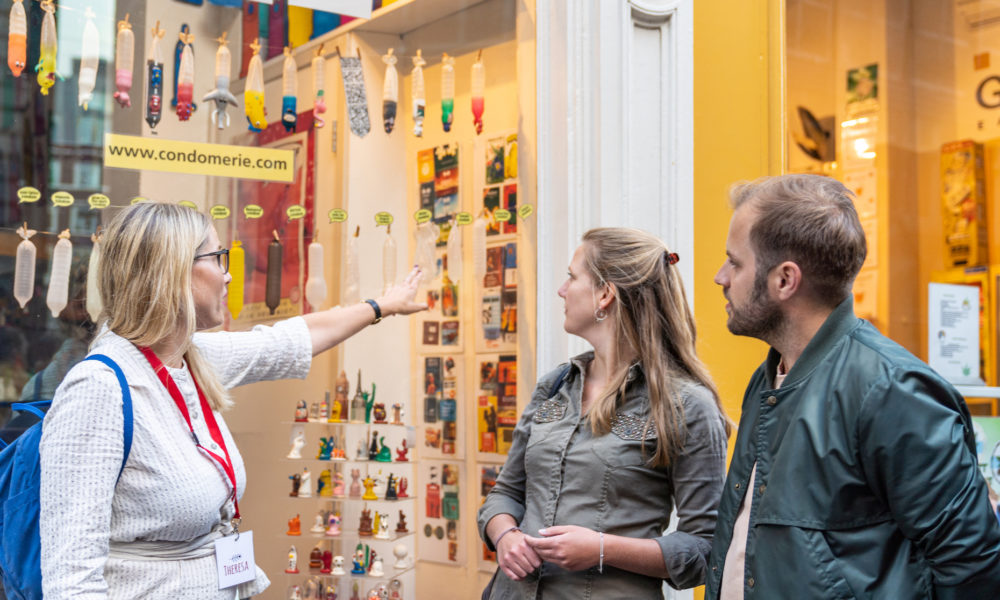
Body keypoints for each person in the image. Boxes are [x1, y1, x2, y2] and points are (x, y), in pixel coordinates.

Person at [38, 202, 426, 599]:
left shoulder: (187, 357)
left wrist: (381, 307)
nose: (227, 275)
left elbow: (287, 341)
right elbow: (71, 581)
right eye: (218, 257)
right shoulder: (97, 390)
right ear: (173, 270)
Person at [706, 174, 1000, 599]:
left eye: (734, 262)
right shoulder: (767, 379)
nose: (721, 277)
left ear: (785, 280)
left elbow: (972, 567)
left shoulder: (891, 389)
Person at [478, 228, 730, 599]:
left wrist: (601, 548)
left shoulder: (688, 405)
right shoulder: (554, 387)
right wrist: (505, 536)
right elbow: (505, 493)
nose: (562, 290)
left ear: (605, 293)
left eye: (571, 276)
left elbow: (706, 549)